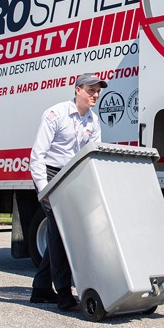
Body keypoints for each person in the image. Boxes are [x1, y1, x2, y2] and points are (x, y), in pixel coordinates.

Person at [29, 73, 107, 311]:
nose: (95, 94)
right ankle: (63, 292)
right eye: (90, 90)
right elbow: (37, 156)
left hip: (71, 176)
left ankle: (41, 289)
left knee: (60, 231)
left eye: (97, 90)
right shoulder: (56, 114)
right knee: (62, 230)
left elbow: (90, 158)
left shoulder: (93, 121)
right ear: (77, 90)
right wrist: (44, 191)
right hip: (51, 175)